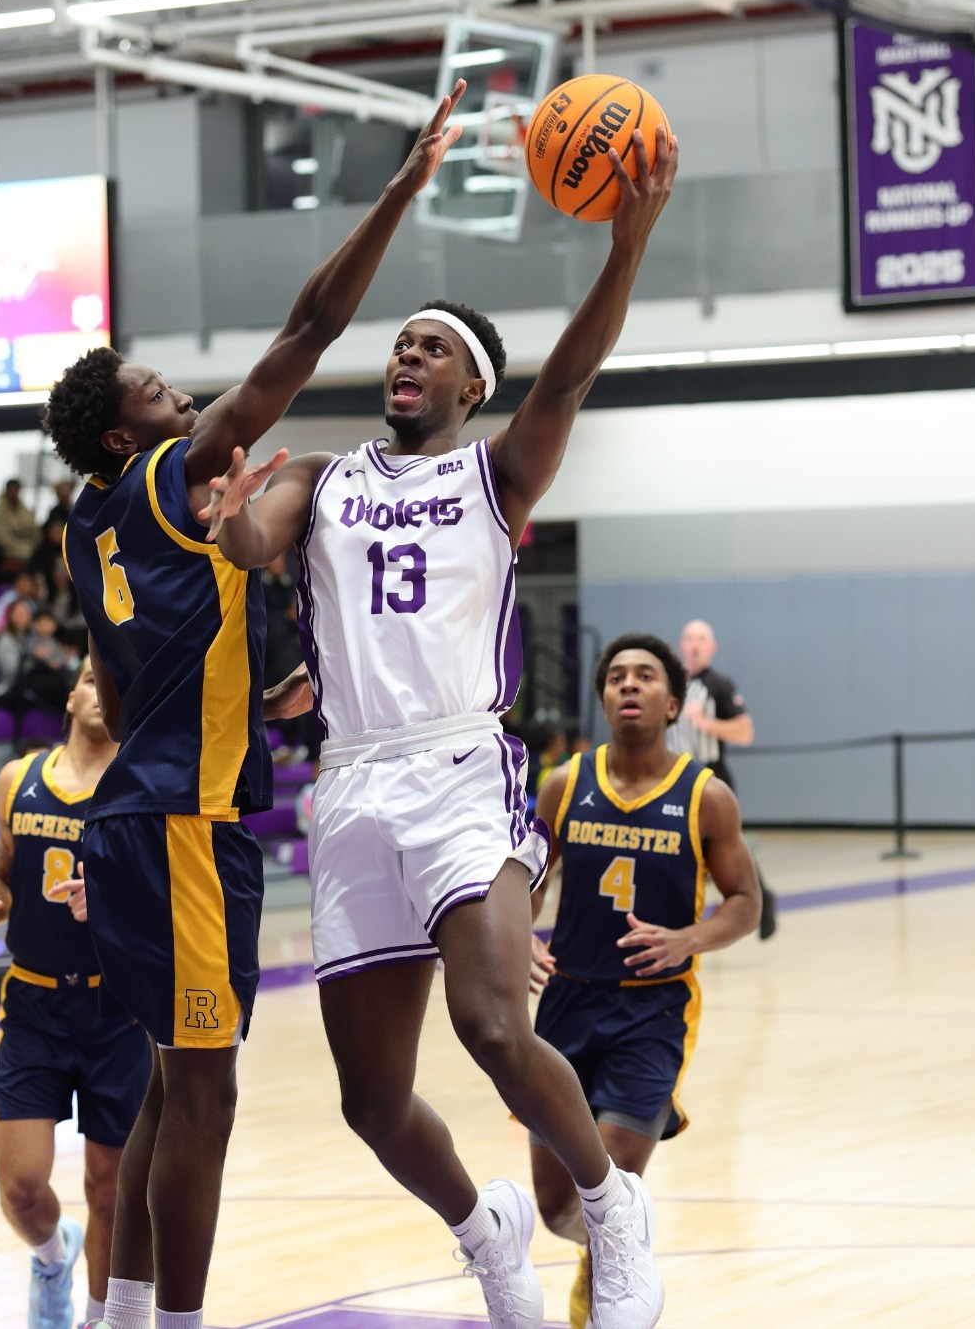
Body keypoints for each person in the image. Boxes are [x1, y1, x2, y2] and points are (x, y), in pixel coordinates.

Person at [200, 119, 679, 1329]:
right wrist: (229, 516)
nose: (406, 356)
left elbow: (566, 376)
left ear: (471, 388)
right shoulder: (318, 474)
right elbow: (251, 545)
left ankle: (613, 1212)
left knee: (488, 1023)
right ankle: (487, 1235)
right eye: (400, 343)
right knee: (370, 1099)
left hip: (463, 764)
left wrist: (628, 241)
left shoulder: (496, 476)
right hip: (351, 783)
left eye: (434, 349)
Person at [44, 85, 467, 1329]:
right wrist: (398, 190)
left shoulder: (85, 525)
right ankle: (171, 1322)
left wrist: (256, 687)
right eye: (164, 395)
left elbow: (120, 691)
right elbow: (310, 323)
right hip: (180, 823)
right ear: (132, 441)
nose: (186, 402)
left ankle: (123, 1315)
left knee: (170, 1094)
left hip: (153, 809)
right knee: (207, 1096)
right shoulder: (175, 478)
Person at [528, 636, 761, 1328]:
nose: (629, 684)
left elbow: (746, 900)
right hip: (565, 1001)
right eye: (617, 676)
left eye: (646, 675)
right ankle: (613, 1244)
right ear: (604, 697)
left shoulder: (705, 796)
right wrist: (514, 933)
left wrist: (691, 938)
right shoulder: (564, 784)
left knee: (611, 1176)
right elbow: (529, 881)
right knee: (555, 1203)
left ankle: (606, 1284)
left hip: (653, 1014)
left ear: (671, 702)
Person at [0, 664, 153, 1329]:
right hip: (35, 1004)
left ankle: (99, 1318)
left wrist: (115, 902)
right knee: (20, 1185)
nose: (106, 691)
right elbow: (6, 867)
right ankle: (50, 1253)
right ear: (71, 696)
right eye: (94, 678)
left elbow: (167, 898)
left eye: (118, 682)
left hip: (115, 1007)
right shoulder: (19, 776)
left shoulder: (139, 781)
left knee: (109, 1188)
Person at [669, 619, 776, 942]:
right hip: (675, 776)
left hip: (712, 776)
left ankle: (760, 898)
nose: (695, 644)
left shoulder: (720, 685)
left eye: (701, 638)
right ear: (681, 646)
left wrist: (706, 723)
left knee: (725, 844)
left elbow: (745, 731)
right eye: (689, 638)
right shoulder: (670, 684)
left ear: (712, 647)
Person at [0, 599, 71, 715]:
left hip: (32, 678)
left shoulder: (31, 636)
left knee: (62, 676)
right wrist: (35, 658)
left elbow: (53, 653)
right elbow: (13, 671)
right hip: (14, 686)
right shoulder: (6, 641)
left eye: (25, 613)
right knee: (54, 682)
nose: (22, 617)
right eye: (18, 613)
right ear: (10, 616)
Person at [0, 479, 43, 574]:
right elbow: (1, 537)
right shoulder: (0, 512)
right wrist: (21, 543)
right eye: (12, 490)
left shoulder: (24, 509)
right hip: (8, 550)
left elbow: (35, 531)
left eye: (16, 490)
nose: (14, 493)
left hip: (28, 545)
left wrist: (29, 542)